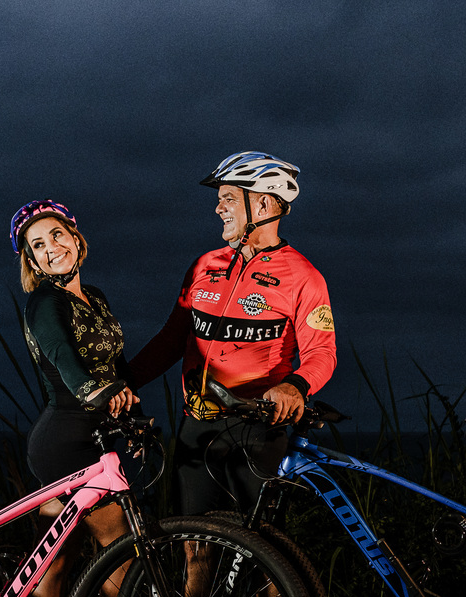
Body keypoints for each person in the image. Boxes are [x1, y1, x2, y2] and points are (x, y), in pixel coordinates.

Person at [128, 151, 336, 517]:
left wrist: (295, 387)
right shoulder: (205, 265)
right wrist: (124, 382)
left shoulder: (303, 277)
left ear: (264, 203)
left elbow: (322, 352)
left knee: (260, 554)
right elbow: (172, 339)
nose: (218, 208)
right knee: (194, 547)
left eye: (227, 198)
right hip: (197, 426)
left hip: (257, 430)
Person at [9, 199, 137, 597]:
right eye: (37, 246)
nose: (50, 248)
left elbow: (118, 365)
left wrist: (129, 400)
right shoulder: (44, 304)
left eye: (56, 235)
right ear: (32, 262)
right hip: (64, 441)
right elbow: (65, 360)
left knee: (86, 559)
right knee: (87, 557)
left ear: (77, 238)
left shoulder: (96, 297)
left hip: (105, 439)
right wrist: (98, 394)